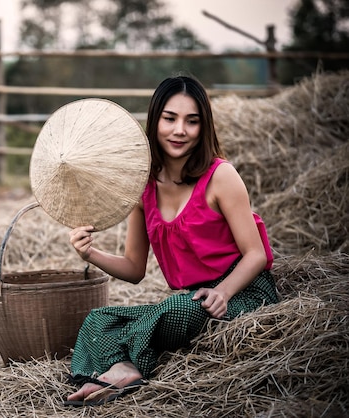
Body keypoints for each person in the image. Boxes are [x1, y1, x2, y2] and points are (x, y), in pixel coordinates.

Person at [64, 75, 279, 407]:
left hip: (243, 291)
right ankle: (120, 365)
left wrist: (223, 291)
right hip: (192, 298)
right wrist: (91, 253)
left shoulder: (221, 176)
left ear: (202, 127)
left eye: (191, 121)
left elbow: (256, 255)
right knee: (98, 319)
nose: (180, 130)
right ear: (154, 121)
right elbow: (135, 268)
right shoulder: (143, 186)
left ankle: (127, 366)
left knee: (178, 308)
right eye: (170, 118)